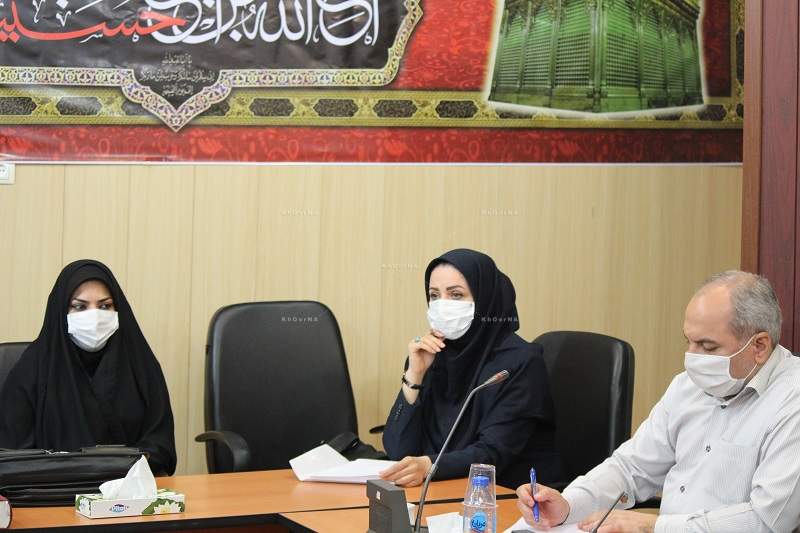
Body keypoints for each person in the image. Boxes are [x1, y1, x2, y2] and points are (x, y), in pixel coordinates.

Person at [516, 270, 800, 532]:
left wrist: (652, 526)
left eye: (707, 346)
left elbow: (766, 520)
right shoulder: (688, 386)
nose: (692, 357)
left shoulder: (792, 400)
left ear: (759, 346)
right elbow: (631, 468)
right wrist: (569, 505)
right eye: (688, 341)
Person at [379, 249, 562, 489]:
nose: (443, 305)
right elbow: (398, 451)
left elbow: (493, 454)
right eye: (434, 295)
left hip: (510, 495)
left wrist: (429, 466)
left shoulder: (521, 363)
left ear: (485, 299)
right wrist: (415, 375)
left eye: (456, 295)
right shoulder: (432, 356)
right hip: (441, 490)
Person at [0, 259, 177, 475]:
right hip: (52, 490)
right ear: (61, 311)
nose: (94, 317)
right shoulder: (31, 371)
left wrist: (124, 468)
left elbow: (161, 447)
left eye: (104, 306)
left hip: (130, 487)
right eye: (79, 307)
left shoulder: (141, 366)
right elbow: (13, 457)